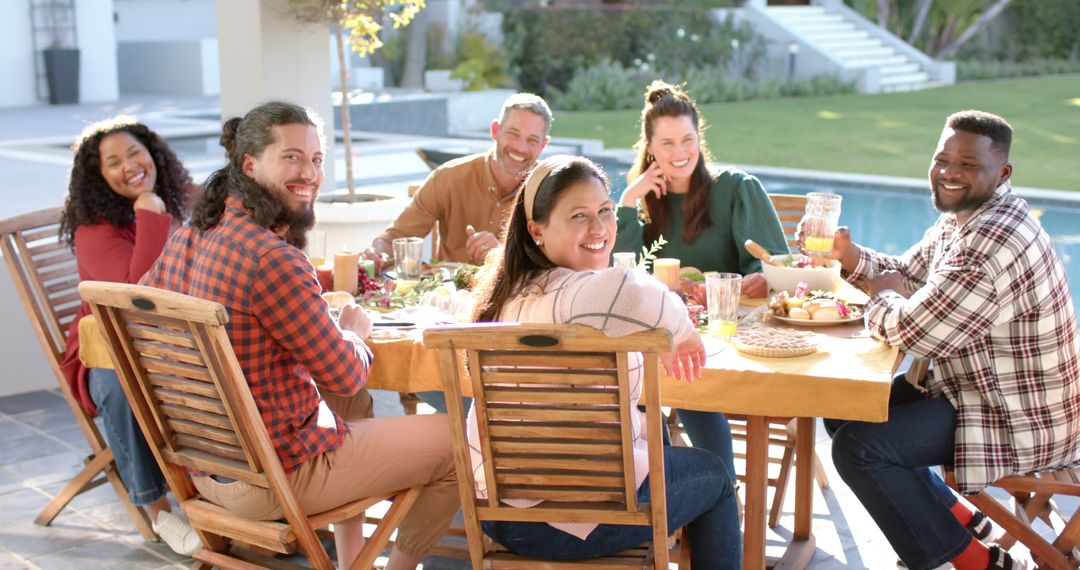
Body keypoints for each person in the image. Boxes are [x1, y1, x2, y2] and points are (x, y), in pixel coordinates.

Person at [141, 101, 459, 570]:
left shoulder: (189, 239)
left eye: (315, 159)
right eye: (291, 157)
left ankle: (355, 562)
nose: (309, 172)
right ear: (249, 165)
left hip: (203, 469)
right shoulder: (271, 258)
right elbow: (348, 372)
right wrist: (353, 332)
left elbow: (147, 312)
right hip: (277, 478)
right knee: (461, 440)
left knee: (344, 403)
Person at [822, 110, 1080, 570]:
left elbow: (915, 330)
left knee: (860, 449)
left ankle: (975, 563)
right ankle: (956, 518)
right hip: (976, 390)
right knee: (845, 408)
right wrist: (850, 256)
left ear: (1002, 173)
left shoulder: (992, 244)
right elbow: (907, 274)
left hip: (1016, 415)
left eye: (967, 164)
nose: (949, 172)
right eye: (943, 159)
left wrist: (882, 301)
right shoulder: (966, 217)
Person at [469, 155, 742, 568]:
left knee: (658, 441)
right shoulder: (577, 295)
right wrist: (683, 330)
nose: (598, 229)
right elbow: (630, 290)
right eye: (579, 216)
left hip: (500, 512)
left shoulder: (506, 293)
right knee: (717, 475)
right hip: (572, 522)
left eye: (605, 212)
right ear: (536, 230)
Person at [613, 80, 789, 479]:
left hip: (724, 338)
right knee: (628, 381)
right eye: (668, 143)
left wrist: (757, 277)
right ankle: (655, 490)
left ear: (699, 138)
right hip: (655, 337)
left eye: (687, 140)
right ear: (650, 148)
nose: (680, 153)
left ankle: (721, 495)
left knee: (687, 379)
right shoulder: (643, 202)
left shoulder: (737, 189)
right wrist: (627, 201)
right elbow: (618, 276)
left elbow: (774, 264)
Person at [58, 116, 200, 556]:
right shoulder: (95, 230)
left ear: (153, 153)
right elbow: (134, 298)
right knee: (122, 387)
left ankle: (227, 492)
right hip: (110, 355)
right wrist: (148, 216)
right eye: (113, 162)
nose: (130, 166)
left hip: (173, 344)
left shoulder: (175, 205)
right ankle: (157, 509)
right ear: (99, 177)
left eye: (134, 152)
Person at [363, 92, 552, 268]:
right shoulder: (448, 177)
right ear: (495, 131)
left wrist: (502, 255)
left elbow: (556, 263)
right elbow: (396, 238)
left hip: (519, 298)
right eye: (513, 134)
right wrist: (378, 253)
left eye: (532, 140)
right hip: (448, 295)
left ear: (543, 145)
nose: (520, 147)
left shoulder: (551, 191)